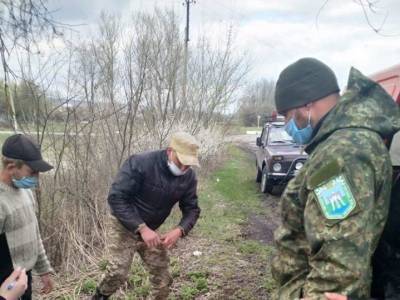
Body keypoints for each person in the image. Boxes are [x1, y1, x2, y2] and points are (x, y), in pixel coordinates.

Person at [271, 58, 400, 299]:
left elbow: (339, 257)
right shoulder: (343, 144)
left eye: (287, 115)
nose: (287, 125)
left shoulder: (341, 154)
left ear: (306, 105)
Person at [93, 132, 201, 300]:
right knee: (118, 271)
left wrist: (179, 230)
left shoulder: (188, 178)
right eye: (181, 163)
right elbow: (116, 198)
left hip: (151, 228)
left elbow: (192, 209)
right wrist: (141, 228)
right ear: (170, 151)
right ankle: (100, 296)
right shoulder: (140, 163)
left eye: (188, 165)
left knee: (163, 278)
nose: (183, 169)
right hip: (123, 224)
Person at [0, 134, 54, 300]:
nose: (36, 179)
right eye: (32, 172)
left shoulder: (26, 193)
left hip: (24, 278)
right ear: (11, 167)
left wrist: (44, 269)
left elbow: (34, 233)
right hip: (6, 283)